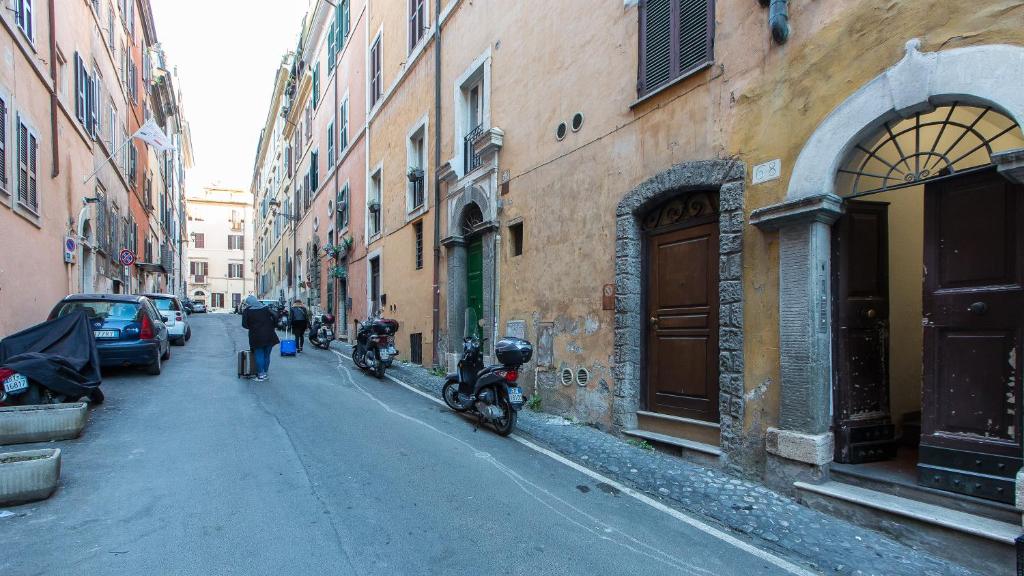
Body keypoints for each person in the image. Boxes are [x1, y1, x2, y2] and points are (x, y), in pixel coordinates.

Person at [241, 295, 279, 381]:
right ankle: (265, 373)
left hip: (256, 336)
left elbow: (244, 325)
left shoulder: (247, 311)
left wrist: (252, 327)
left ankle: (261, 375)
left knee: (259, 354)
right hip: (270, 335)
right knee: (267, 355)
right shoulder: (266, 308)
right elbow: (276, 316)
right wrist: (273, 325)